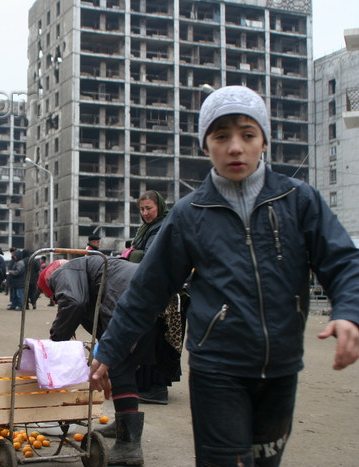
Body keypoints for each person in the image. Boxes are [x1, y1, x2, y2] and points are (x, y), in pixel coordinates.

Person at [89, 86, 359, 467]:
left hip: (281, 368)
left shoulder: (300, 201)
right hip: (216, 368)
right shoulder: (188, 214)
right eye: (221, 136)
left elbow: (343, 261)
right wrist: (110, 349)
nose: (235, 147)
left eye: (248, 135)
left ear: (264, 140)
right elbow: (148, 290)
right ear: (205, 146)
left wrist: (348, 311)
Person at [38, 255, 147, 465]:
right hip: (144, 291)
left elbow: (73, 302)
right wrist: (103, 353)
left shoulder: (60, 272)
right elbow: (91, 313)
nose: (55, 300)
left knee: (121, 367)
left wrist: (56, 340)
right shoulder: (85, 270)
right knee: (125, 366)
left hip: (125, 295)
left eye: (52, 296)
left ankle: (128, 446)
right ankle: (124, 428)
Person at [123, 190, 180, 405]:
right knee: (146, 337)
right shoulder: (147, 228)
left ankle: (157, 389)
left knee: (156, 339)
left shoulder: (163, 226)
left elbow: (150, 256)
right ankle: (144, 385)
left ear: (160, 207)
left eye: (149, 208)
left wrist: (131, 254)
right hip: (148, 288)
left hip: (161, 293)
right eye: (142, 209)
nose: (146, 213)